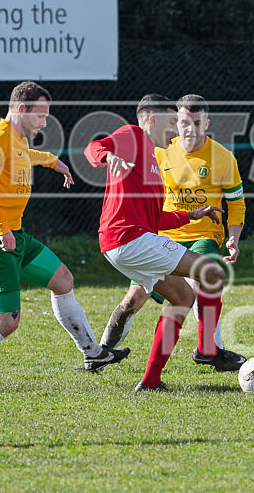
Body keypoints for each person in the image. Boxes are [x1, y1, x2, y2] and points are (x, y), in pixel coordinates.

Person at [0, 81, 130, 391]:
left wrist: (54, 162)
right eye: (40, 117)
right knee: (7, 322)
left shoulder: (16, 139)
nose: (44, 123)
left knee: (63, 280)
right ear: (21, 109)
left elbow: (25, 155)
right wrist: (1, 229)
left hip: (15, 235)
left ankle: (93, 354)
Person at [85, 94, 230, 392]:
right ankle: (209, 351)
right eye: (171, 122)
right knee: (212, 273)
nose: (177, 130)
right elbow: (93, 147)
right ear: (152, 120)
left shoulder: (152, 157)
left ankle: (151, 382)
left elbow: (155, 219)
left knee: (182, 298)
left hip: (129, 241)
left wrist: (191, 214)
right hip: (130, 239)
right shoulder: (133, 135)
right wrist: (106, 157)